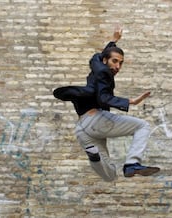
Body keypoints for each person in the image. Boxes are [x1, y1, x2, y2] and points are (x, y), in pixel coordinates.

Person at [53, 27, 160, 182]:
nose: (117, 67)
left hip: (83, 129)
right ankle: (132, 163)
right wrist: (131, 101)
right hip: (96, 120)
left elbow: (101, 56)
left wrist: (114, 40)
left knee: (110, 176)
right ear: (105, 61)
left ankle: (94, 157)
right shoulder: (105, 73)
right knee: (143, 126)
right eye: (115, 61)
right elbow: (104, 98)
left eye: (121, 63)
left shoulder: (96, 65)